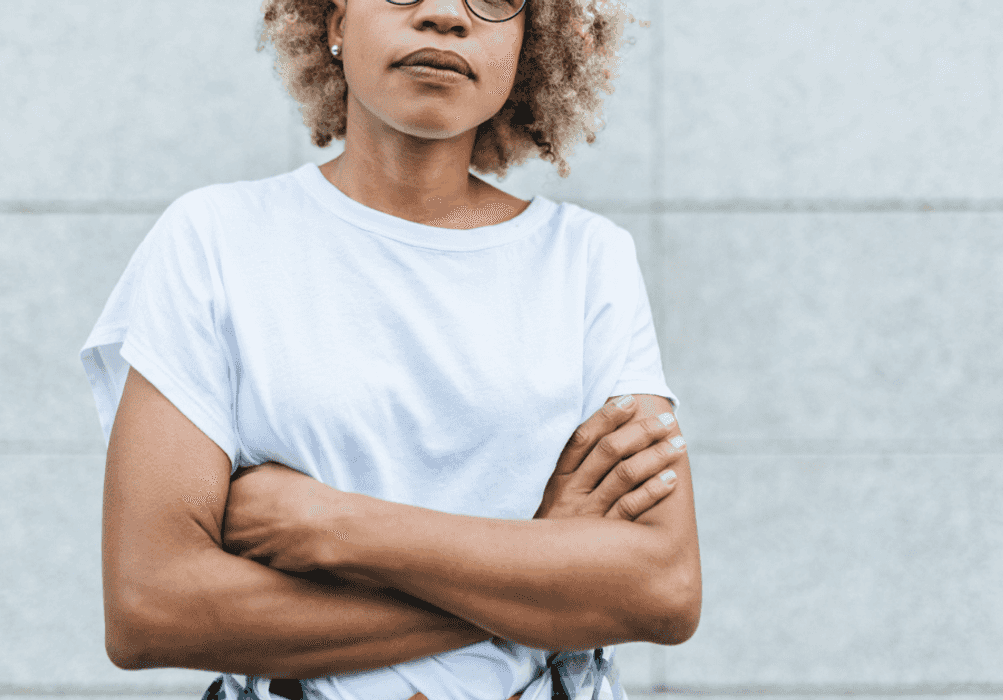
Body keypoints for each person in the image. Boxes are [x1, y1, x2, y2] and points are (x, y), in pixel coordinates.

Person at [78, 0, 701, 698]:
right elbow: (151, 609)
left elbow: (661, 589)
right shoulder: (215, 239)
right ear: (335, 21)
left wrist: (332, 526)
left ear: (530, 43)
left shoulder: (586, 260)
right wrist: (539, 574)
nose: (442, 14)